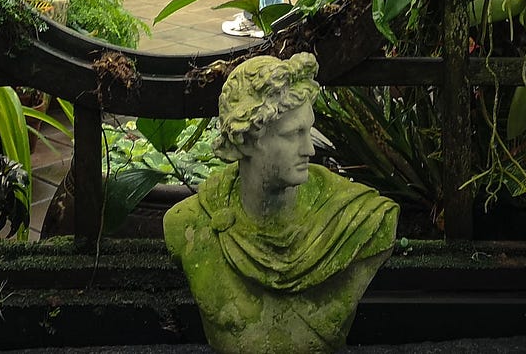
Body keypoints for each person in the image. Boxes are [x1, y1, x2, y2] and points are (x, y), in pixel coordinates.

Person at [163, 54, 398, 353]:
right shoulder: (189, 224)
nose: (310, 149)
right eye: (293, 135)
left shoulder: (358, 220)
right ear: (245, 140)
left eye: (308, 131)